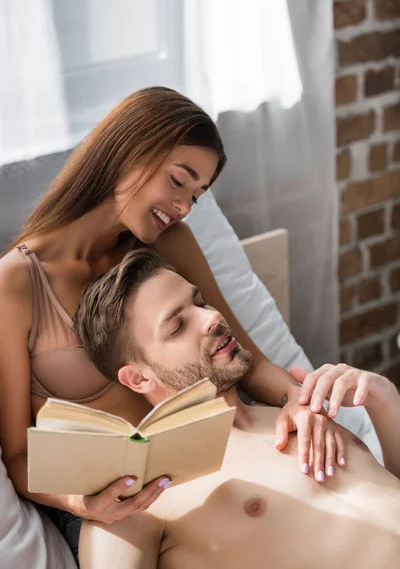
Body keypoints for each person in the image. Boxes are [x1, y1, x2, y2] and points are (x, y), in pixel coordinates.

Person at [0, 87, 338, 565]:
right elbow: (16, 455)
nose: (183, 207)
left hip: (212, 461)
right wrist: (80, 503)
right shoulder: (15, 283)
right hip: (111, 505)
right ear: (128, 151)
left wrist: (297, 403)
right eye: (178, 182)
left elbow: (249, 357)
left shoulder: (168, 243)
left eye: (196, 196)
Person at [74, 249, 400, 569]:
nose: (211, 317)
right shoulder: (134, 498)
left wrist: (385, 400)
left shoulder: (300, 414)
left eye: (200, 303)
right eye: (177, 326)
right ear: (138, 378)